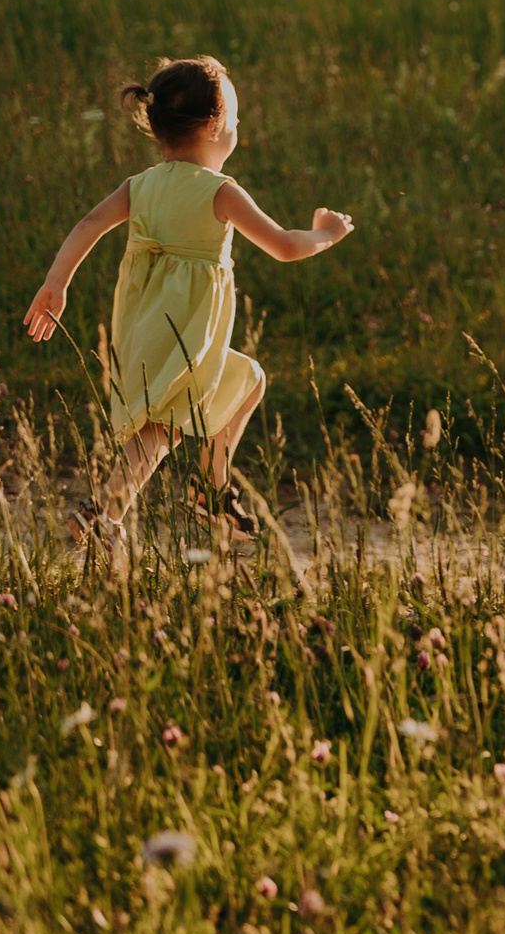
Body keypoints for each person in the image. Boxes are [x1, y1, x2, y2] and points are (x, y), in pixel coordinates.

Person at [23, 57, 354, 566]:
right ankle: (105, 513)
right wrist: (326, 234)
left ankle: (206, 492)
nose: (237, 132)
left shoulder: (142, 185)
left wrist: (55, 282)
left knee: (242, 381)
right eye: (236, 124)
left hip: (142, 325)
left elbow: (90, 223)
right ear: (215, 127)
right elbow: (286, 246)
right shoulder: (220, 192)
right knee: (167, 423)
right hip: (185, 331)